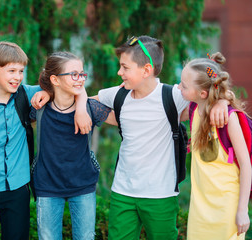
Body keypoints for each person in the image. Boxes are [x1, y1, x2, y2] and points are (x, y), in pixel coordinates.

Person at [94, 35, 229, 240]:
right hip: (123, 192)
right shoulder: (117, 95)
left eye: (125, 67)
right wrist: (78, 107)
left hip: (161, 195)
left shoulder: (173, 96)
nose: (119, 72)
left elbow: (208, 90)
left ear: (146, 70)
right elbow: (87, 102)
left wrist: (221, 102)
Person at [0, 41, 90, 240]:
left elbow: (70, 86)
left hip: (17, 189)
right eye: (11, 71)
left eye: (21, 71)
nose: (17, 77)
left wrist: (79, 105)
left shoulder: (28, 94)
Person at [30, 51, 116, 240]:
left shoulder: (91, 108)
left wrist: (82, 104)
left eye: (82, 74)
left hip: (83, 185)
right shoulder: (39, 106)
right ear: (55, 79)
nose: (80, 79)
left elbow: (126, 118)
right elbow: (11, 98)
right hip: (47, 185)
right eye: (74, 74)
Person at [178, 52, 251, 239]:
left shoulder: (228, 118)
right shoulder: (194, 109)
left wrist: (243, 210)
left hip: (226, 209)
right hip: (199, 211)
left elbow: (246, 165)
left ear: (202, 93)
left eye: (184, 86)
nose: (178, 87)